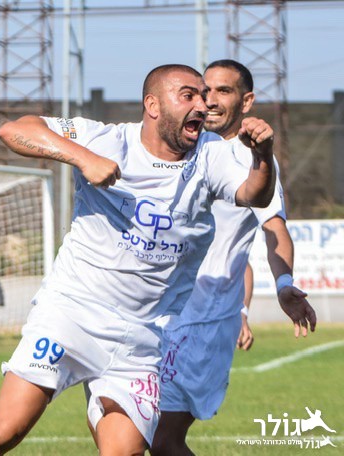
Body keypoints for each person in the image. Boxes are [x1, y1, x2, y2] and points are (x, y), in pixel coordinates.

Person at [0, 63, 282, 455]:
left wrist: (263, 156)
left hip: (141, 340)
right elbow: (13, 130)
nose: (202, 104)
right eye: (188, 95)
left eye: (204, 96)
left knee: (125, 452)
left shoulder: (211, 153)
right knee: (5, 430)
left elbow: (253, 195)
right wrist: (82, 158)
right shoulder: (107, 140)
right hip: (72, 316)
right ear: (153, 105)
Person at [150, 59, 317, 456]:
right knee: (121, 428)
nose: (210, 100)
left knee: (161, 440)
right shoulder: (185, 149)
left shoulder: (252, 161)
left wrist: (284, 284)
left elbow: (274, 230)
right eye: (204, 90)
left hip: (201, 324)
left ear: (247, 101)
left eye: (223, 91)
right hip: (157, 314)